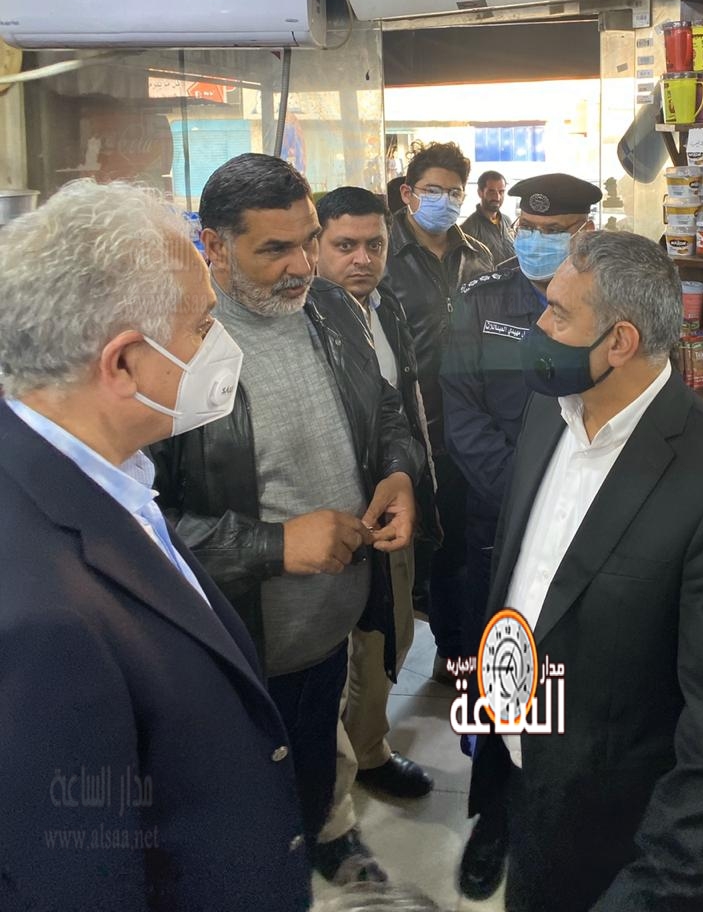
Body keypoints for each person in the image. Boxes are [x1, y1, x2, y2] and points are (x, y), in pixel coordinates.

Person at [0, 180, 310, 912]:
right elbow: (79, 878)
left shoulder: (108, 477)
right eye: (203, 325)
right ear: (122, 364)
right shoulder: (44, 619)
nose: (220, 345)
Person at [466, 232, 703, 912]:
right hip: (523, 781)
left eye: (558, 314)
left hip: (619, 839)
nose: (538, 326)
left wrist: (654, 889)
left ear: (619, 342)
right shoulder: (548, 412)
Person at [151, 154, 423, 886]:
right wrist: (274, 546)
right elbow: (141, 523)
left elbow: (385, 409)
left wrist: (399, 471)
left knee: (315, 760)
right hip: (237, 644)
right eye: (275, 249)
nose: (302, 265)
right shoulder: (173, 347)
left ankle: (326, 834)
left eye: (307, 241)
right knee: (242, 814)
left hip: (329, 626)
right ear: (214, 245)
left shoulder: (329, 307)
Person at [441, 172, 600, 899]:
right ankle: (493, 814)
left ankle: (555, 805)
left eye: (553, 232)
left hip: (585, 517)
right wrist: (521, 495)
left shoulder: (608, 300)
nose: (535, 242)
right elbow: (462, 412)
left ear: (584, 233)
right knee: (495, 666)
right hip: (497, 518)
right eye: (528, 230)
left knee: (567, 669)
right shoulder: (480, 300)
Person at [313, 187, 441, 867]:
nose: (362, 259)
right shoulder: (303, 319)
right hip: (330, 515)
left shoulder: (385, 305)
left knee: (391, 633)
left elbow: (400, 405)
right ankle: (325, 801)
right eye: (345, 245)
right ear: (316, 246)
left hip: (391, 500)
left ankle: (369, 749)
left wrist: (411, 475)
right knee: (330, 654)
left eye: (375, 245)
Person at [385, 142, 493, 677]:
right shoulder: (382, 255)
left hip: (467, 423)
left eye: (454, 192)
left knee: (460, 542)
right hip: (405, 423)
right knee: (408, 548)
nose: (445, 201)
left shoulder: (478, 255)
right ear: (408, 193)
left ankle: (454, 651)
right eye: (433, 191)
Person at [460, 171, 514, 266]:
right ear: (480, 192)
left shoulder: (507, 221)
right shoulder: (468, 229)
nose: (497, 197)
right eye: (491, 191)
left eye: (501, 192)